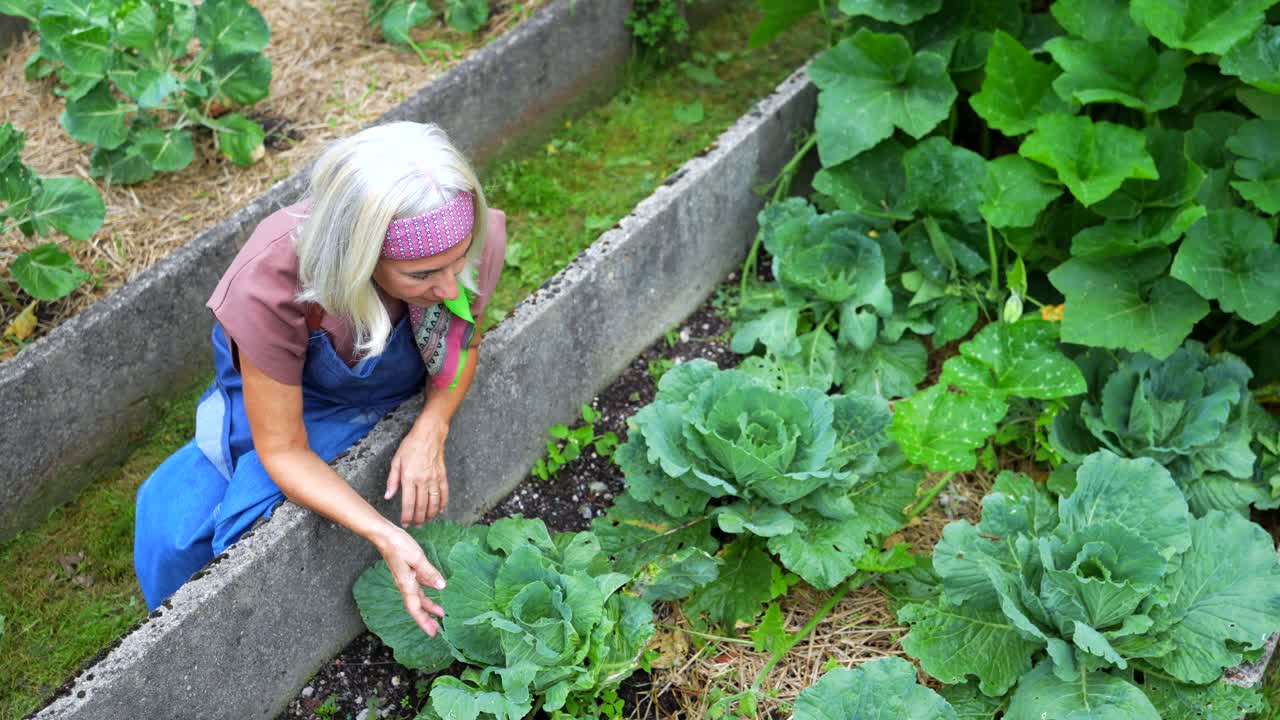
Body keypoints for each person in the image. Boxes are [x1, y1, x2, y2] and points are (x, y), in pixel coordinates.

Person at [134, 121, 505, 637]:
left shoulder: (460, 239)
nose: (449, 287)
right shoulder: (273, 284)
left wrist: (431, 425)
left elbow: (463, 346)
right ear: (359, 259)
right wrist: (383, 532)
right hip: (290, 402)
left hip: (383, 394)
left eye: (459, 261)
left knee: (238, 525)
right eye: (421, 276)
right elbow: (283, 448)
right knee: (173, 533)